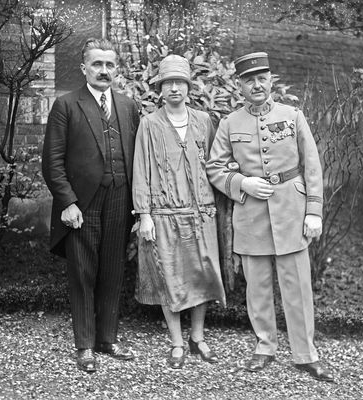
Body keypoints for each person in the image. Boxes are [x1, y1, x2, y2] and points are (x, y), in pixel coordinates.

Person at [206, 52, 334, 381]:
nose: (257, 85)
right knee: (258, 289)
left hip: (292, 211)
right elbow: (214, 169)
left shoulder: (292, 116)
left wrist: (314, 211)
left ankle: (305, 353)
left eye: (262, 78)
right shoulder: (230, 123)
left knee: (298, 288)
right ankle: (265, 346)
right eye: (250, 80)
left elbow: (312, 166)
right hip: (251, 216)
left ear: (271, 80)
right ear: (240, 86)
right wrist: (241, 182)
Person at [42, 38, 140, 373]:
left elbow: (138, 160)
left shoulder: (128, 106)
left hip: (120, 198)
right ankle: (84, 345)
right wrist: (67, 202)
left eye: (110, 65)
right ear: (84, 68)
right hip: (82, 204)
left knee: (113, 270)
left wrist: (139, 208)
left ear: (117, 69)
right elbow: (52, 162)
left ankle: (106, 339)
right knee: (83, 272)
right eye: (97, 64)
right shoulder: (66, 105)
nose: (104, 71)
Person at [132, 54, 226, 369]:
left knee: (202, 273)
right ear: (160, 87)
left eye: (180, 82)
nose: (174, 88)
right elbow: (141, 171)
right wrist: (144, 215)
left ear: (188, 86)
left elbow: (217, 167)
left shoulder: (204, 121)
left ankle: (198, 337)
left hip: (202, 212)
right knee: (169, 276)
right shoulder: (149, 124)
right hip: (163, 214)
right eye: (168, 82)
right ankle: (176, 341)